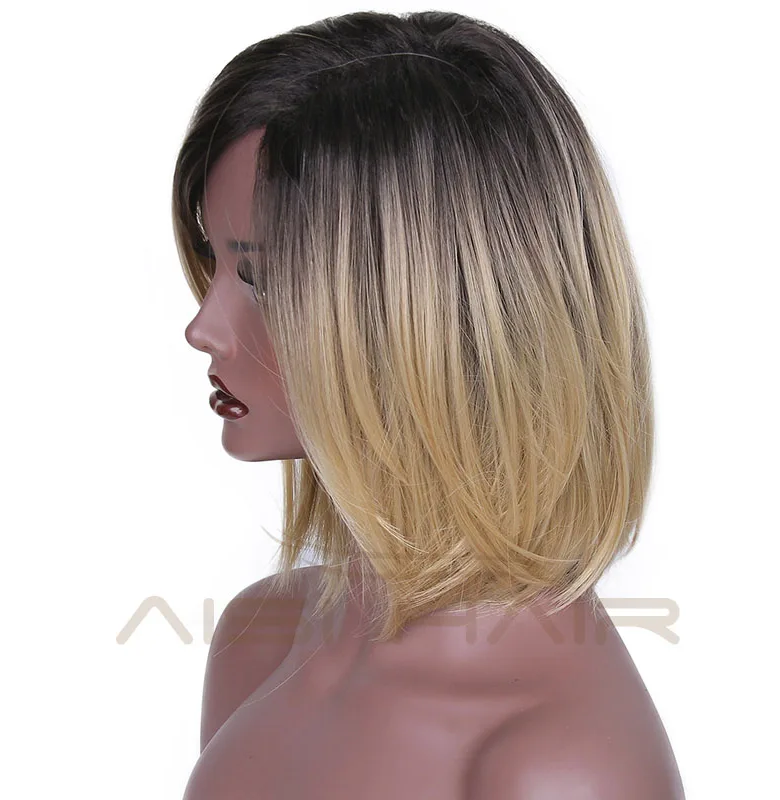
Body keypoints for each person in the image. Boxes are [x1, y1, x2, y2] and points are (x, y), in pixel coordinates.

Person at [174, 10, 684, 799]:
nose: (202, 328)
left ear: (434, 313)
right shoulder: (258, 640)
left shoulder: (560, 768)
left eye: (262, 276)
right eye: (213, 260)